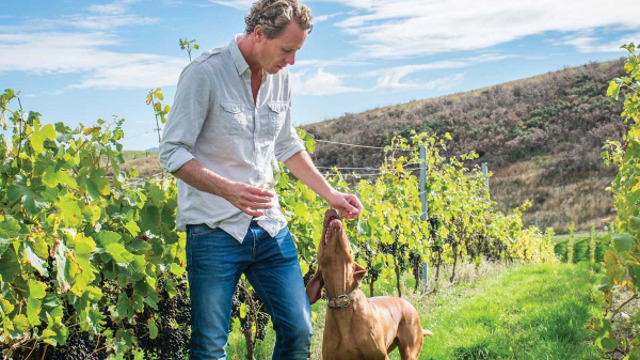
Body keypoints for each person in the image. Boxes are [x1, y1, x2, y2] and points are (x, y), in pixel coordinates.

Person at [158, 0, 363, 359]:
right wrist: (227, 190)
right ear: (258, 34)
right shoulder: (205, 73)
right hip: (212, 228)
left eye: (297, 51)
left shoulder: (280, 77)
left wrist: (330, 194)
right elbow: (172, 152)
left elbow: (286, 144)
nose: (292, 61)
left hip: (269, 227)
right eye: (287, 49)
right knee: (209, 346)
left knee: (298, 330)